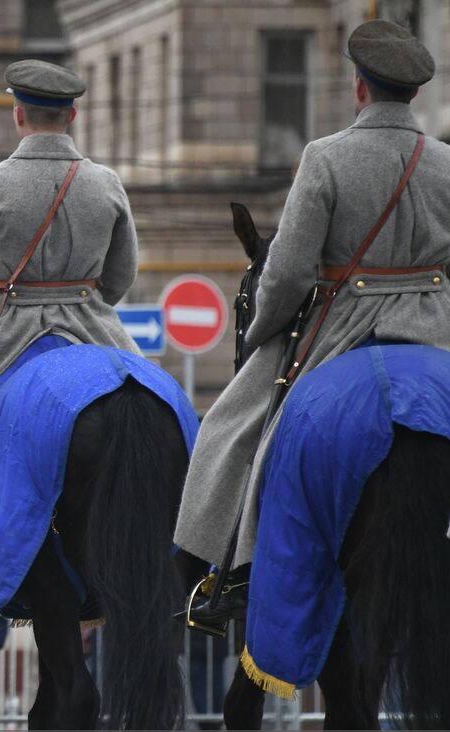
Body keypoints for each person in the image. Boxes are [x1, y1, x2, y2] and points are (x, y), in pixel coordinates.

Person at [176, 19, 450, 626]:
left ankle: (231, 572)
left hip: (340, 327)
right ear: (413, 93)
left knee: (231, 426)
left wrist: (261, 330)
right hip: (437, 330)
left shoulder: (325, 158)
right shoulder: (447, 164)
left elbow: (290, 273)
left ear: (359, 88)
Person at [0, 59, 138, 551]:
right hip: (92, 319)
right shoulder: (106, 184)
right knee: (156, 400)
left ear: (18, 115)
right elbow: (122, 276)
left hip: (3, 325)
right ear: (73, 116)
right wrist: (87, 300)